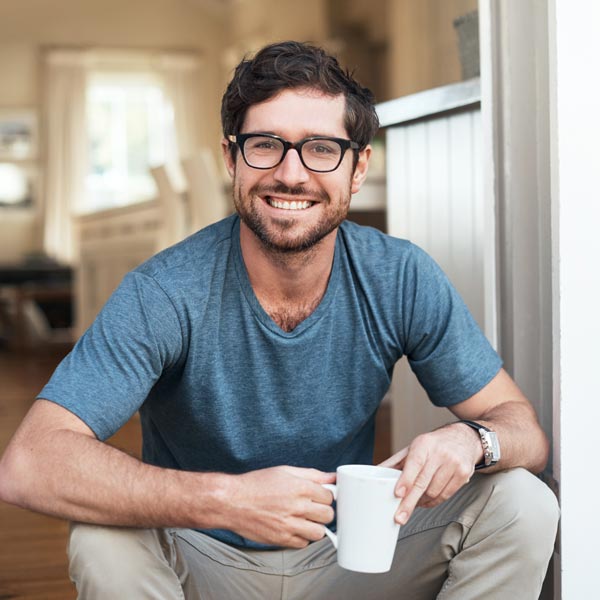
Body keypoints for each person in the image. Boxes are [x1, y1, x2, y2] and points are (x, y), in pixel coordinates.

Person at [0, 41, 558, 599]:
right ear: (231, 158)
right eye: (266, 146)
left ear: (358, 167)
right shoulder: (163, 292)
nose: (292, 175)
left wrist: (471, 440)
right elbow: (30, 463)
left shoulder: (400, 275)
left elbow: (522, 431)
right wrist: (228, 501)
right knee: (101, 536)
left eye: (321, 149)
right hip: (200, 564)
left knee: (521, 501)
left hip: (347, 561)